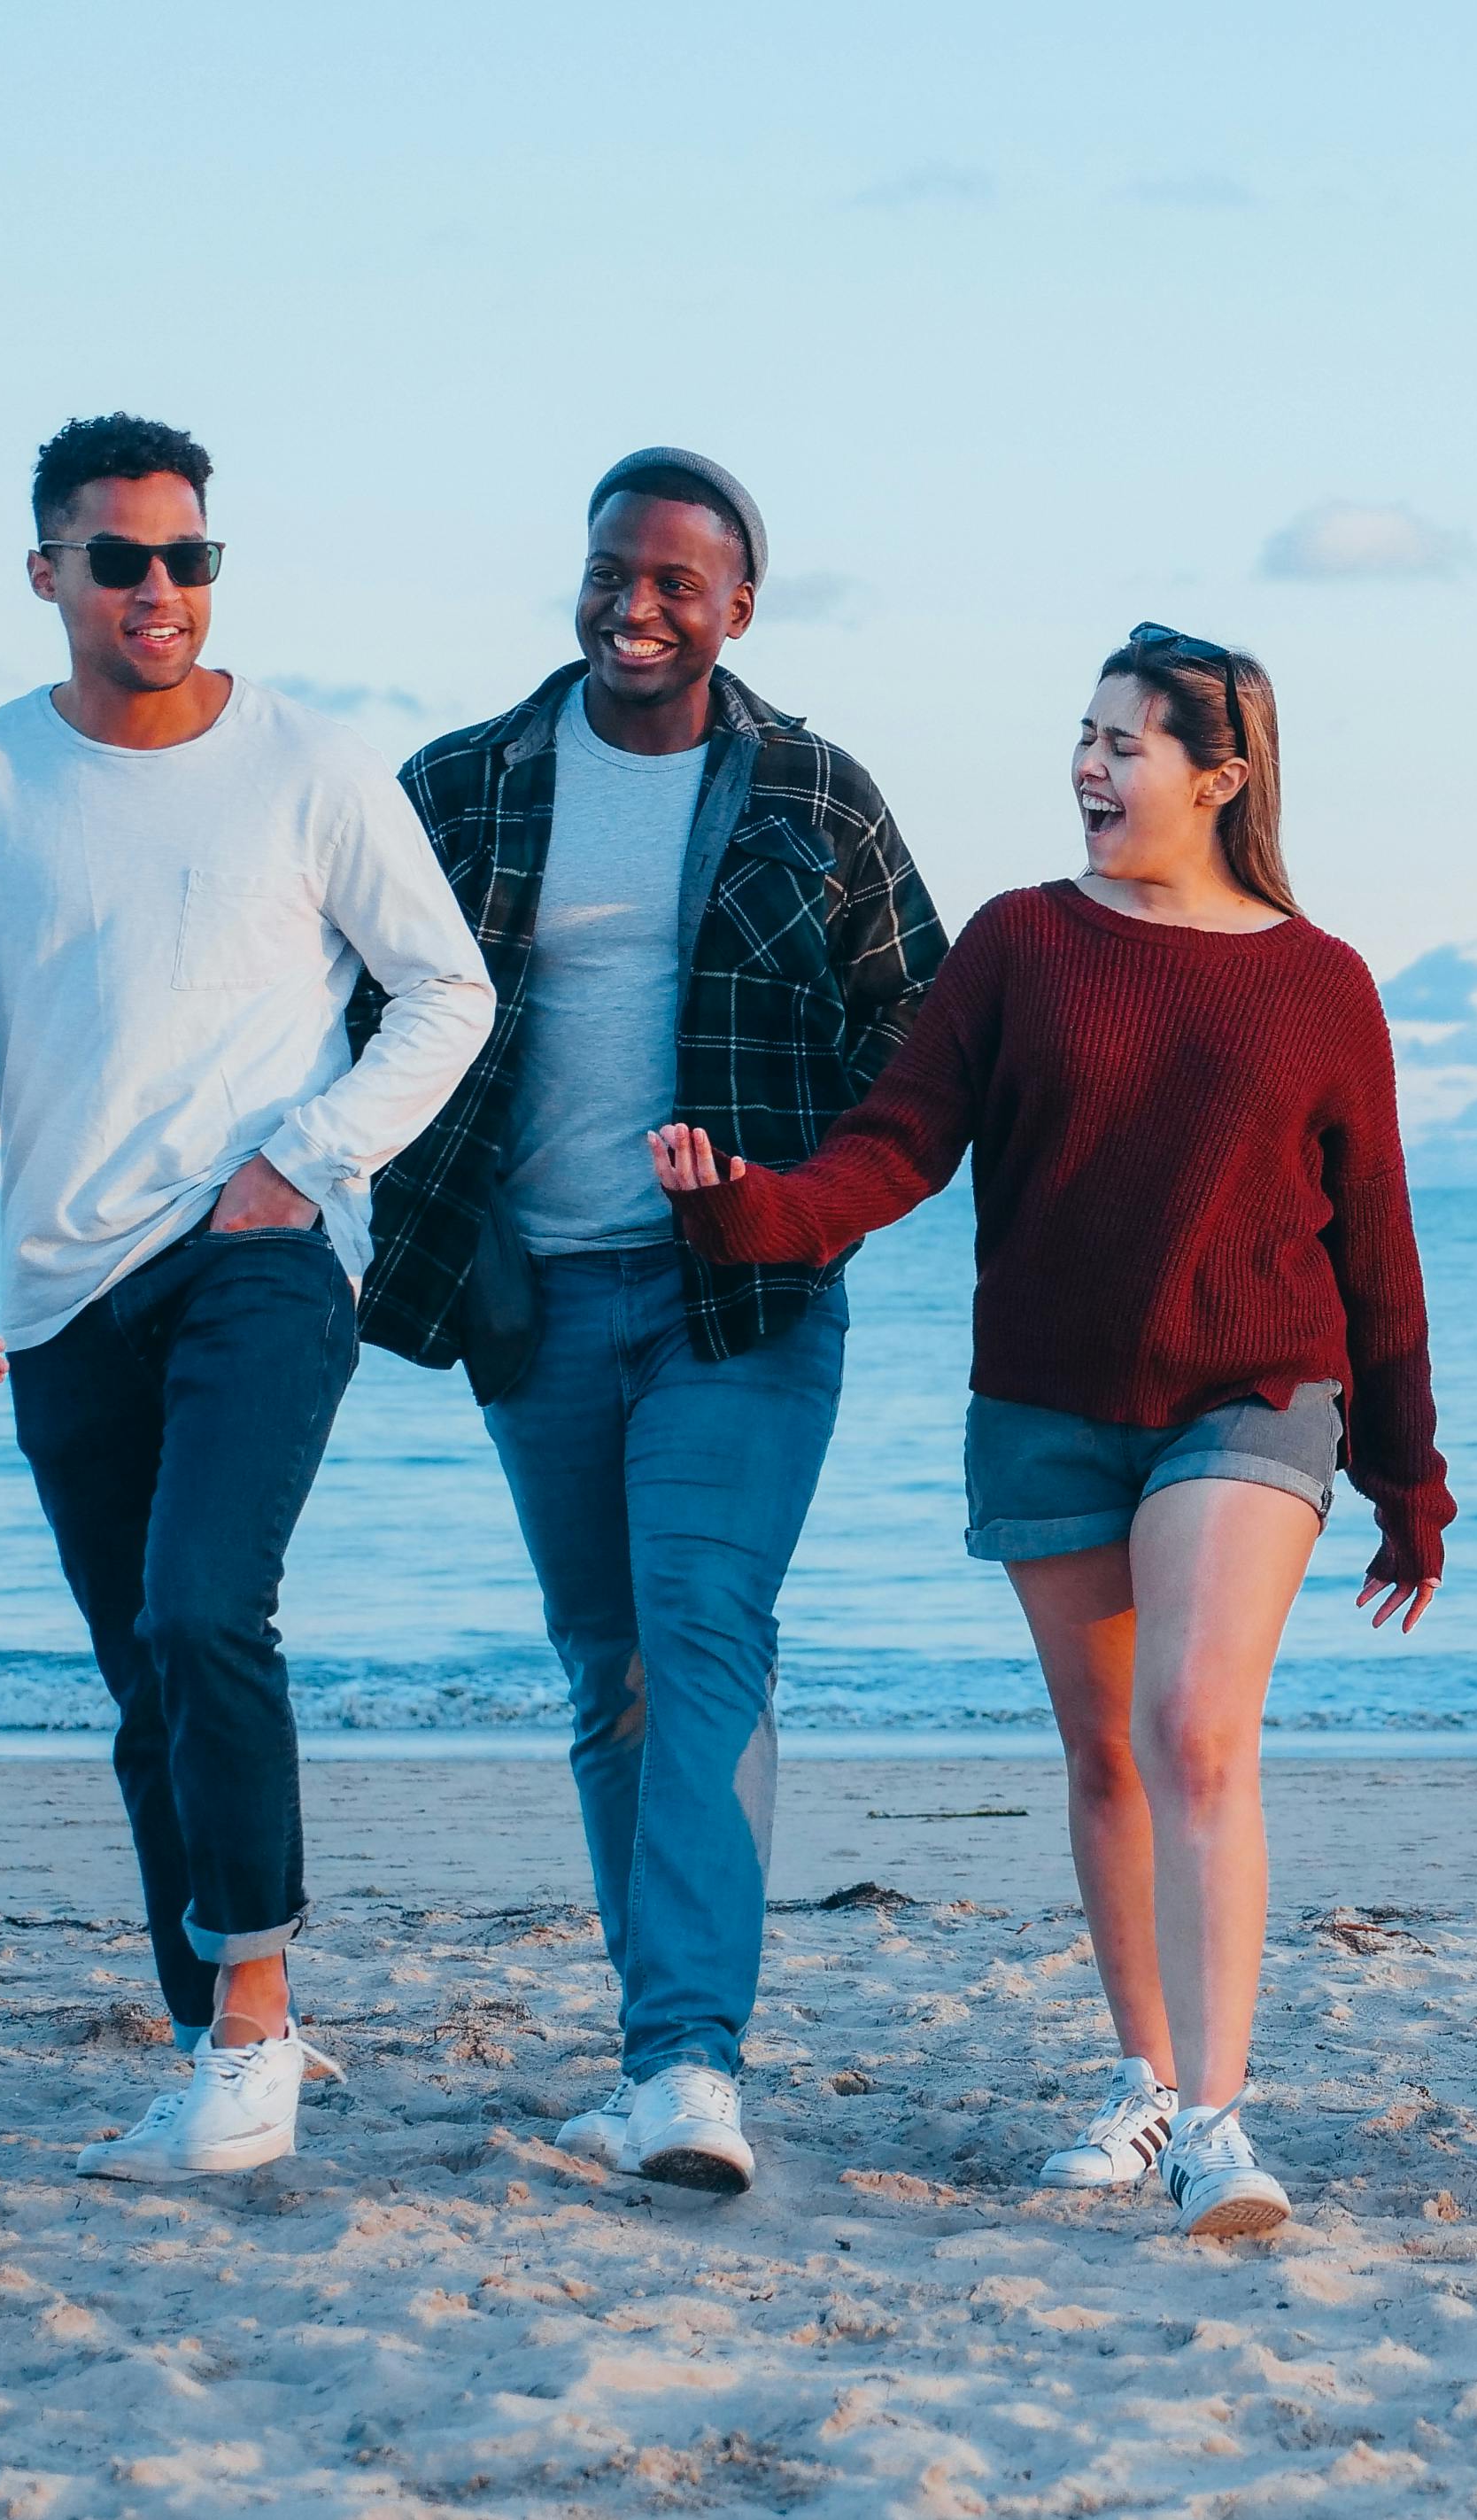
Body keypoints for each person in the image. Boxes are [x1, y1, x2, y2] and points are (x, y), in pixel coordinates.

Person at [657, 626, 1447, 2239]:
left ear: (1222, 777)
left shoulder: (1319, 980)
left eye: (1127, 744)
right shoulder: (1019, 944)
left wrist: (1407, 1476)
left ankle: (1223, 2124)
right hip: (1045, 1406)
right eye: (1082, 737)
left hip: (1253, 1391)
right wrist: (751, 1210)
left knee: (1195, 1734)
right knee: (1106, 1758)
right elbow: (894, 1150)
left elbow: (1376, 1238)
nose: (1090, 768)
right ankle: (1147, 2086)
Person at [0, 413, 492, 2179]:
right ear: (48, 572)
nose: (160, 589)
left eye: (188, 557)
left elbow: (445, 988)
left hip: (256, 1257)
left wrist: (307, 1156)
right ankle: (226, 2016)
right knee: (148, 1671)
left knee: (208, 1605)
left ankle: (252, 2029)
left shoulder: (307, 765)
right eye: (121, 558)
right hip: (64, 1288)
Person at [359, 450, 946, 2194]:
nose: (635, 604)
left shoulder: (813, 794)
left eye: (676, 582)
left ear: (736, 607)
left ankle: (688, 2062)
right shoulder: (456, 786)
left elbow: (911, 1040)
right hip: (531, 1302)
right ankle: (659, 2048)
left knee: (701, 1643)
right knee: (607, 1677)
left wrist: (787, 1188)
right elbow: (344, 1011)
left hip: (739, 1298)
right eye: (613, 570)